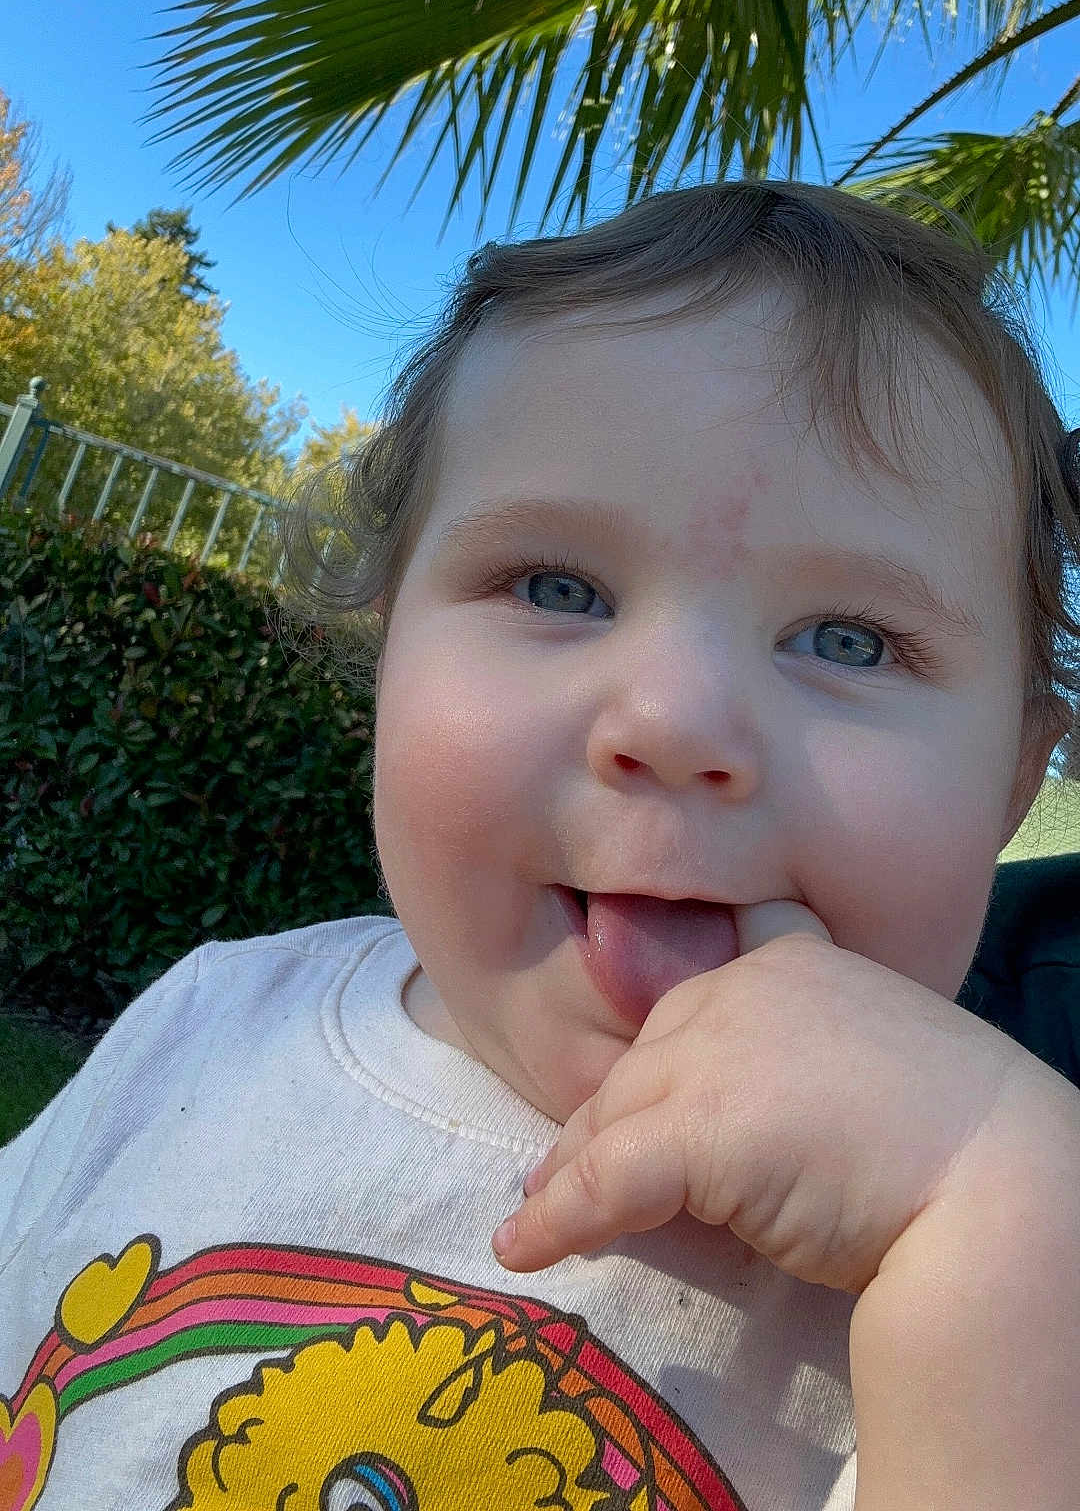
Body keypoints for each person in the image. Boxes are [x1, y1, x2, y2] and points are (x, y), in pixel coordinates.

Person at [2, 180, 1079, 1511]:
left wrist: (1008, 1217)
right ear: (389, 645)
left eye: (848, 641)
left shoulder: (975, 1286)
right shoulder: (207, 1019)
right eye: (559, 588)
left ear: (1015, 774)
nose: (675, 721)